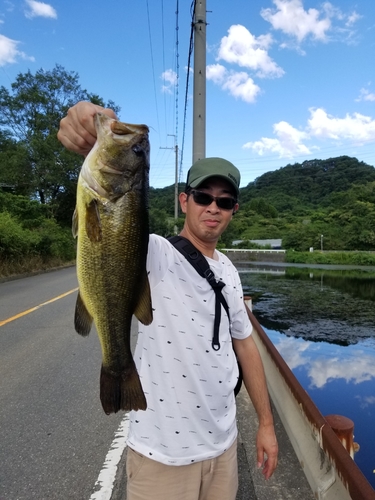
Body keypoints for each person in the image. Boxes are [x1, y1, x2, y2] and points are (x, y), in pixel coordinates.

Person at [58, 102, 278, 500]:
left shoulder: (228, 269)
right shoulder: (154, 252)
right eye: (202, 196)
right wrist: (89, 117)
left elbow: (245, 344)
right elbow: (111, 227)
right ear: (183, 201)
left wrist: (265, 423)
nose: (213, 206)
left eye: (225, 201)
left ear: (233, 211)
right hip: (162, 457)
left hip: (224, 449)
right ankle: (116, 364)